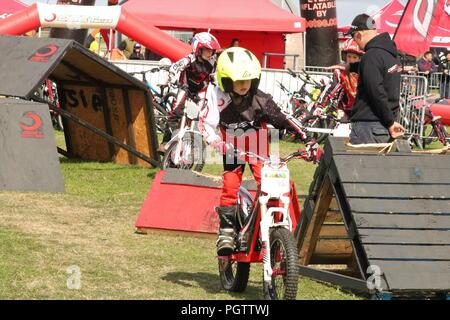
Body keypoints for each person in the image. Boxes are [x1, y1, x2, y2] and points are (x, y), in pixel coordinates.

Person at [198, 47, 322, 256]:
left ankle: (283, 230)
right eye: (238, 81)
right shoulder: (216, 96)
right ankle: (226, 232)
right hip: (231, 145)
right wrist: (217, 142)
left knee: (272, 183)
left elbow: (283, 118)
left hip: (259, 144)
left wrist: (308, 139)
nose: (244, 86)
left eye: (248, 80)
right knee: (230, 185)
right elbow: (206, 125)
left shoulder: (261, 98)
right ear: (225, 80)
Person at [345, 13, 405, 144]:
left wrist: (389, 122)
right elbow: (378, 69)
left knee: (359, 164)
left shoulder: (371, 56)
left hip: (369, 127)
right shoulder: (391, 54)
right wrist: (351, 66)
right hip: (384, 124)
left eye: (353, 37)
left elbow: (376, 92)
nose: (354, 41)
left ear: (359, 34)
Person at [160, 32, 221, 149]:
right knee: (176, 113)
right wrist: (170, 78)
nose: (210, 53)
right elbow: (174, 68)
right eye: (207, 50)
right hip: (185, 88)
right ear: (198, 48)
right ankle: (165, 142)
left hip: (201, 91)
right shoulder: (189, 59)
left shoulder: (213, 62)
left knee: (199, 117)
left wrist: (216, 84)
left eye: (212, 51)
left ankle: (193, 145)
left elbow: (214, 76)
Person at [315, 38, 364, 120]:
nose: (351, 60)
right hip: (345, 109)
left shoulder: (365, 71)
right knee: (340, 131)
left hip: (362, 110)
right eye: (349, 56)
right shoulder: (339, 71)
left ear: (360, 59)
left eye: (355, 57)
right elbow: (330, 88)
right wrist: (320, 106)